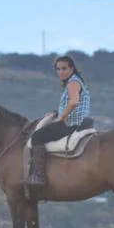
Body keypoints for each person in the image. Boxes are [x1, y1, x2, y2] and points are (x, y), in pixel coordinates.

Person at [26, 55, 91, 192]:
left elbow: (74, 102)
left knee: (37, 137)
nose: (61, 72)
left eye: (64, 68)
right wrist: (56, 113)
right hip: (76, 120)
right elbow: (73, 104)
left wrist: (61, 117)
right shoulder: (76, 81)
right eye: (58, 69)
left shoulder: (73, 82)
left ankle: (39, 176)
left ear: (72, 68)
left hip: (71, 123)